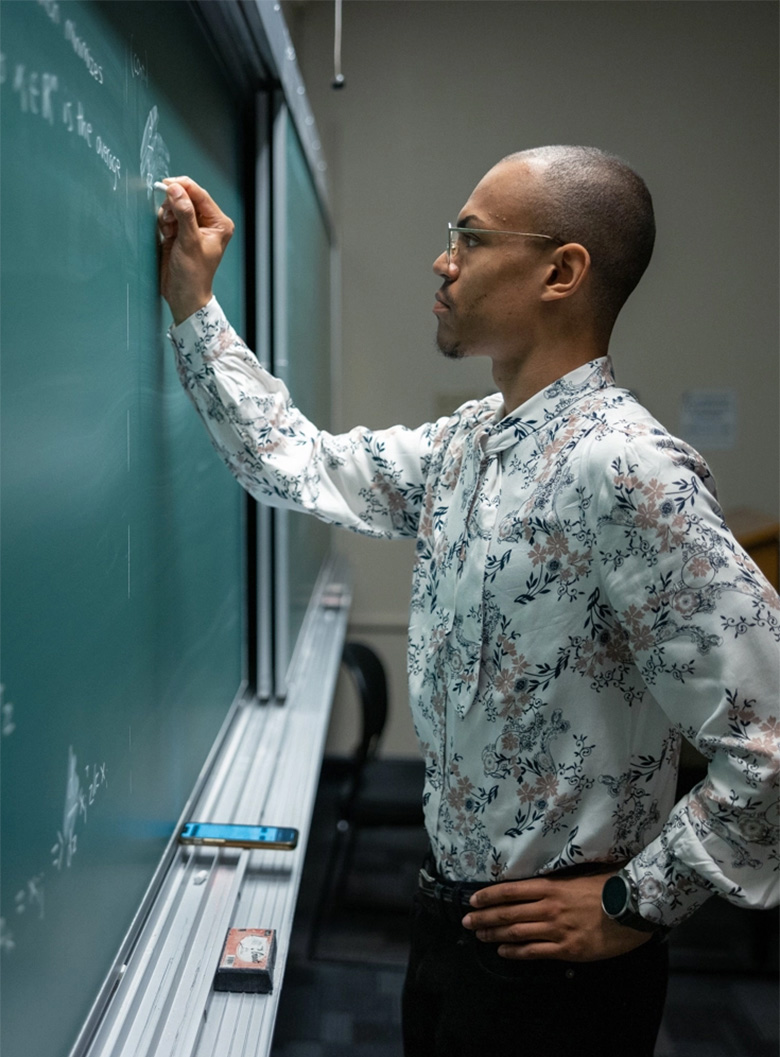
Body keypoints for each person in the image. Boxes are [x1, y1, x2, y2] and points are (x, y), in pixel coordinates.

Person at [157, 147, 779, 1056]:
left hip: (561, 966)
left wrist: (634, 903)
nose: (443, 260)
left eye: (471, 237)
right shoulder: (470, 445)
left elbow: (769, 735)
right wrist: (193, 306)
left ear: (562, 272)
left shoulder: (627, 468)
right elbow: (295, 461)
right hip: (454, 922)